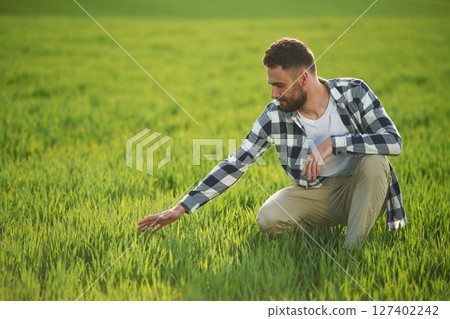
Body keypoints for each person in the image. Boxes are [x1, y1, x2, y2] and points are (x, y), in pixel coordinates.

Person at [137, 37, 406, 249]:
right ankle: (323, 235)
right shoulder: (275, 115)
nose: (273, 94)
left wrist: (335, 144)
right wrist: (181, 207)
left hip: (362, 189)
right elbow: (236, 163)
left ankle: (352, 251)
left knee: (374, 161)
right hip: (316, 193)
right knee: (269, 219)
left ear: (302, 78)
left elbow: (393, 142)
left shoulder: (354, 92)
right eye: (271, 85)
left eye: (279, 85)